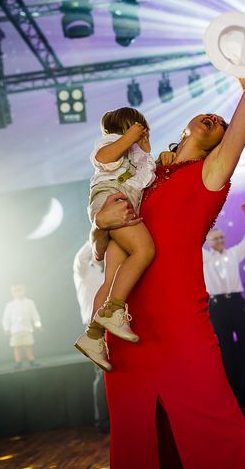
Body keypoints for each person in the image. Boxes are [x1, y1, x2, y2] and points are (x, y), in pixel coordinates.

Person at [90, 0, 245, 467]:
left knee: (215, 429)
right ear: (186, 127)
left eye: (224, 125)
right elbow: (106, 239)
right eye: (209, 117)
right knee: (137, 437)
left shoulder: (210, 175)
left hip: (182, 320)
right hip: (126, 323)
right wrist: (101, 222)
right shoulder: (143, 174)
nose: (217, 120)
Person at [77, 108, 156, 366]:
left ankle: (93, 335)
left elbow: (146, 176)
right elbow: (103, 158)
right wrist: (130, 137)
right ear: (128, 127)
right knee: (144, 251)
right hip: (112, 199)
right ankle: (114, 309)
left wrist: (145, 148)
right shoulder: (112, 142)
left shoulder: (139, 158)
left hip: (124, 210)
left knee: (111, 279)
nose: (144, 136)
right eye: (141, 129)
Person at [203, 202, 245, 405]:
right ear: (208, 242)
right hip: (217, 307)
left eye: (222, 237)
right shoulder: (205, 258)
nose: (220, 241)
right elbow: (190, 244)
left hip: (236, 303)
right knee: (226, 350)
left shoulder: (233, 254)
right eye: (216, 239)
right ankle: (234, 397)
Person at [72, 241, 110, 433]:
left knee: (114, 372)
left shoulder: (109, 271)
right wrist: (96, 234)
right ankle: (102, 422)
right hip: (93, 325)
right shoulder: (83, 270)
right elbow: (80, 257)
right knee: (101, 374)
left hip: (111, 323)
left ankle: (116, 419)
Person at [2, 284, 42, 369]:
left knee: (28, 345)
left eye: (19, 290)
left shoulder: (29, 302)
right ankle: (18, 362)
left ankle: (32, 360)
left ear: (24, 290)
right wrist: (6, 328)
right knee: (17, 346)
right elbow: (6, 318)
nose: (17, 293)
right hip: (15, 330)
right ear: (12, 292)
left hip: (27, 328)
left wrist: (37, 324)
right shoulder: (10, 305)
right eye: (15, 291)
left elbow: (35, 315)